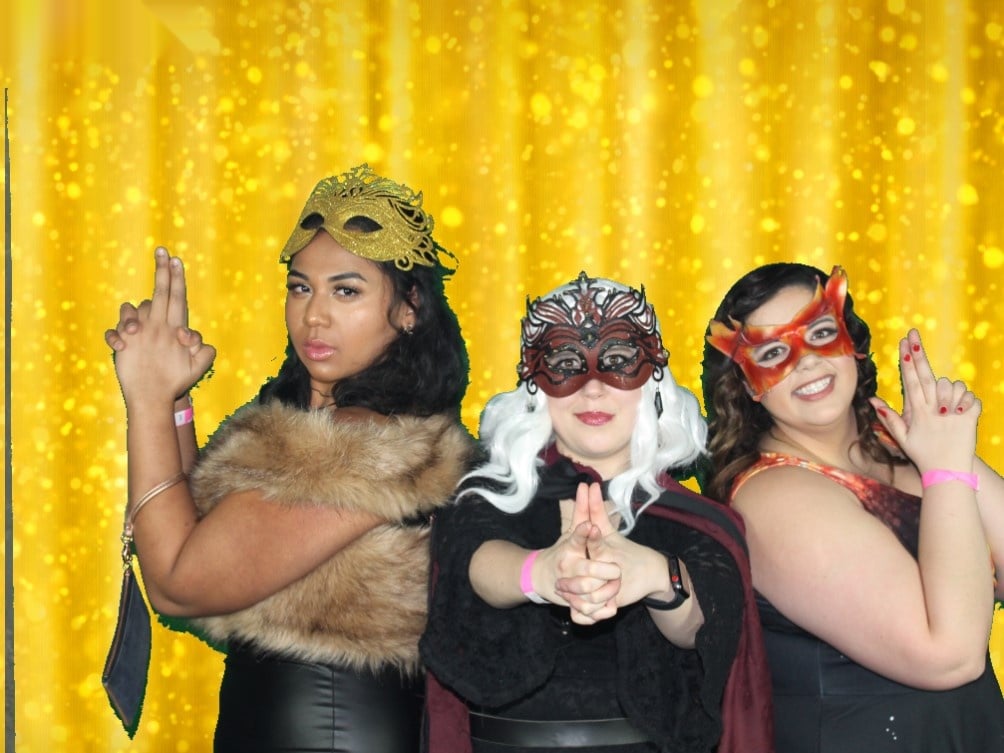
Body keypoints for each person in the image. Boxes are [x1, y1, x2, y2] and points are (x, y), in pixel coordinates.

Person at [105, 164, 475, 753]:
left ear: (409, 308)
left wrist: (147, 398)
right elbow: (202, 536)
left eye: (346, 291)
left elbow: (178, 583)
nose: (314, 315)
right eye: (301, 287)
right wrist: (173, 401)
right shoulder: (326, 428)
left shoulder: (366, 446)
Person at [419, 272, 773, 753]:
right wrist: (543, 573)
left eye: (618, 361)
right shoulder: (483, 500)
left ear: (653, 380)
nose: (592, 390)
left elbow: (705, 626)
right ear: (536, 386)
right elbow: (474, 563)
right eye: (566, 364)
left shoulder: (700, 520)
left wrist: (657, 576)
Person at [701, 262, 1004, 753]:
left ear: (851, 343)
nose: (806, 362)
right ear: (748, 385)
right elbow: (949, 656)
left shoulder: (904, 446)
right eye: (773, 352)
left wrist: (949, 450)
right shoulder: (774, 496)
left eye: (821, 333)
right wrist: (948, 470)